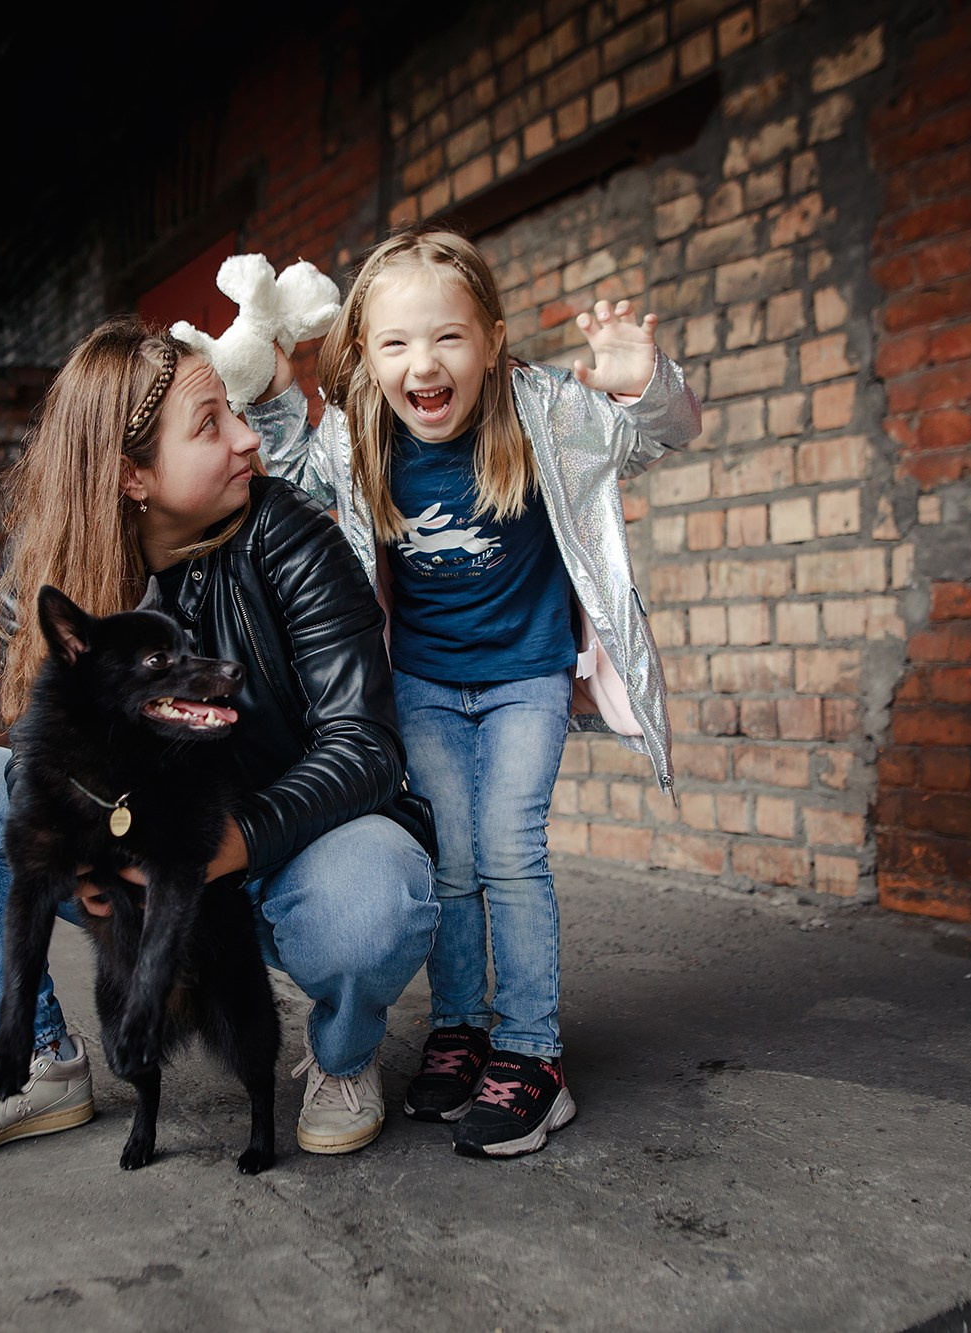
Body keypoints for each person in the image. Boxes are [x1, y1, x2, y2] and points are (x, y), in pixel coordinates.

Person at [0, 318, 438, 1165]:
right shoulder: (48, 576)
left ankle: (344, 1055)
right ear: (131, 476)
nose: (250, 438)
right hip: (140, 868)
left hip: (284, 860)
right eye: (211, 423)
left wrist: (231, 842)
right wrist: (86, 852)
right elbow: (43, 745)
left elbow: (365, 746)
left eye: (235, 414)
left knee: (380, 890)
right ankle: (33, 1066)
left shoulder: (291, 539)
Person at [249, 228, 702, 1158]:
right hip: (421, 679)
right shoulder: (358, 433)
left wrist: (642, 378)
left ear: (492, 340)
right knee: (451, 855)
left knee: (509, 848)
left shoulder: (547, 414)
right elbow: (284, 471)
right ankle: (459, 1029)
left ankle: (533, 1053)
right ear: (366, 357)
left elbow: (661, 433)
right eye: (395, 344)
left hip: (526, 675)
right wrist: (261, 386)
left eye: (449, 338)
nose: (425, 363)